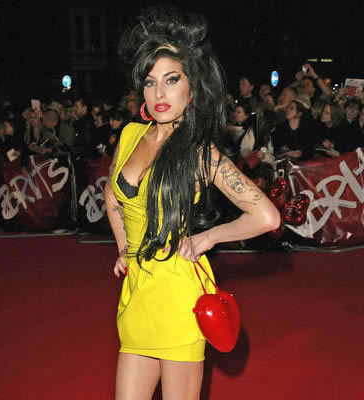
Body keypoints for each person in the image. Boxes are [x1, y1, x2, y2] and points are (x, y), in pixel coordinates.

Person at [104, 8, 280, 400]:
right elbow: (112, 192)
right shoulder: (130, 134)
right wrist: (123, 244)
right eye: (150, 82)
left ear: (192, 89)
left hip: (178, 299)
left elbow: (267, 216)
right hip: (136, 295)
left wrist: (206, 239)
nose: (159, 94)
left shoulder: (201, 154)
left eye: (171, 80)